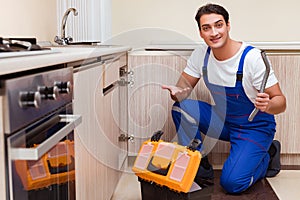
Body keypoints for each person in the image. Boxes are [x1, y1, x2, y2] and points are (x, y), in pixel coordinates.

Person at [162, 3, 286, 194]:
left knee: (232, 184)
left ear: (228, 25)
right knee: (181, 107)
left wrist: (269, 104)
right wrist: (178, 93)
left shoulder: (251, 58)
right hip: (223, 121)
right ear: (200, 33)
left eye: (218, 25)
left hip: (254, 126)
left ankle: (268, 156)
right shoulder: (201, 54)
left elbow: (281, 101)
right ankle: (199, 167)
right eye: (206, 28)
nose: (214, 32)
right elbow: (183, 89)